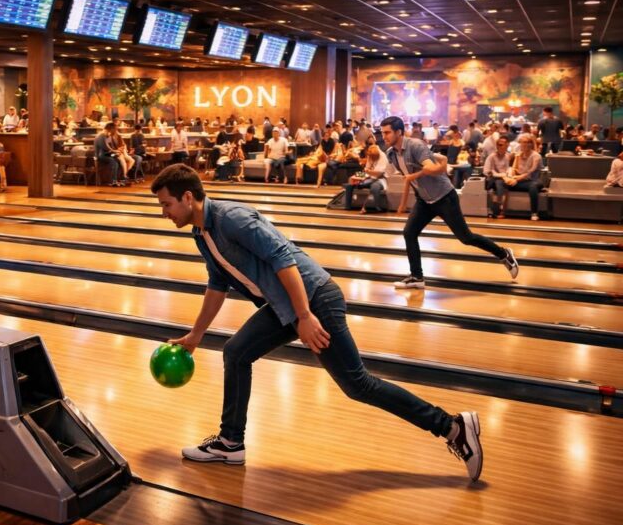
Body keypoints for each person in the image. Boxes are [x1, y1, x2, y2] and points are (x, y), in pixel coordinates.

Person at [150, 164, 483, 481]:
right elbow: (217, 283)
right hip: (285, 306)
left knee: (358, 385)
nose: (164, 212)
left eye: (167, 204)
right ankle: (230, 443)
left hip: (314, 298)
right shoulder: (201, 232)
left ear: (188, 197)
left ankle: (452, 427)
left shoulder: (231, 219)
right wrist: (196, 334)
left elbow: (283, 259)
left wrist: (305, 315)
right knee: (237, 352)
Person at [381, 116, 517, 289]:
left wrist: (428, 167)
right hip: (424, 200)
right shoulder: (391, 154)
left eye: (387, 133)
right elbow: (411, 176)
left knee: (466, 237)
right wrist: (404, 202)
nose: (383, 136)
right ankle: (417, 277)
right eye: (382, 132)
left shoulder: (415, 145)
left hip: (445, 197)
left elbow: (430, 166)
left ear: (399, 132)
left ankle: (503, 254)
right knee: (409, 233)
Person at [502, 134, 543, 221]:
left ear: (531, 144)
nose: (523, 145)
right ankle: (502, 211)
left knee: (533, 187)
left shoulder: (536, 156)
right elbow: (513, 168)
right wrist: (510, 178)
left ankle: (534, 213)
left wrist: (516, 179)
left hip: (534, 180)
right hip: (521, 181)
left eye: (525, 142)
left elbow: (530, 172)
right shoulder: (518, 155)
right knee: (502, 183)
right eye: (521, 142)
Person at [342, 144, 388, 213]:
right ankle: (347, 206)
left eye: (372, 157)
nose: (370, 159)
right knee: (351, 180)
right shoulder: (370, 156)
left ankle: (375, 207)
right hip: (368, 176)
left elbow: (379, 174)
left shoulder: (383, 157)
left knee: (374, 186)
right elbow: (366, 169)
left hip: (380, 178)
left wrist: (368, 172)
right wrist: (358, 176)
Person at [484, 136, 513, 218]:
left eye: (501, 145)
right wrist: (503, 175)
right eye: (498, 145)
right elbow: (490, 171)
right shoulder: (492, 156)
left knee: (504, 184)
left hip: (504, 178)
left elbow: (508, 169)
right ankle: (498, 211)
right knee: (499, 183)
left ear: (507, 145)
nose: (499, 146)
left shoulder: (508, 156)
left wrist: (507, 176)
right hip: (492, 178)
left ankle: (501, 210)